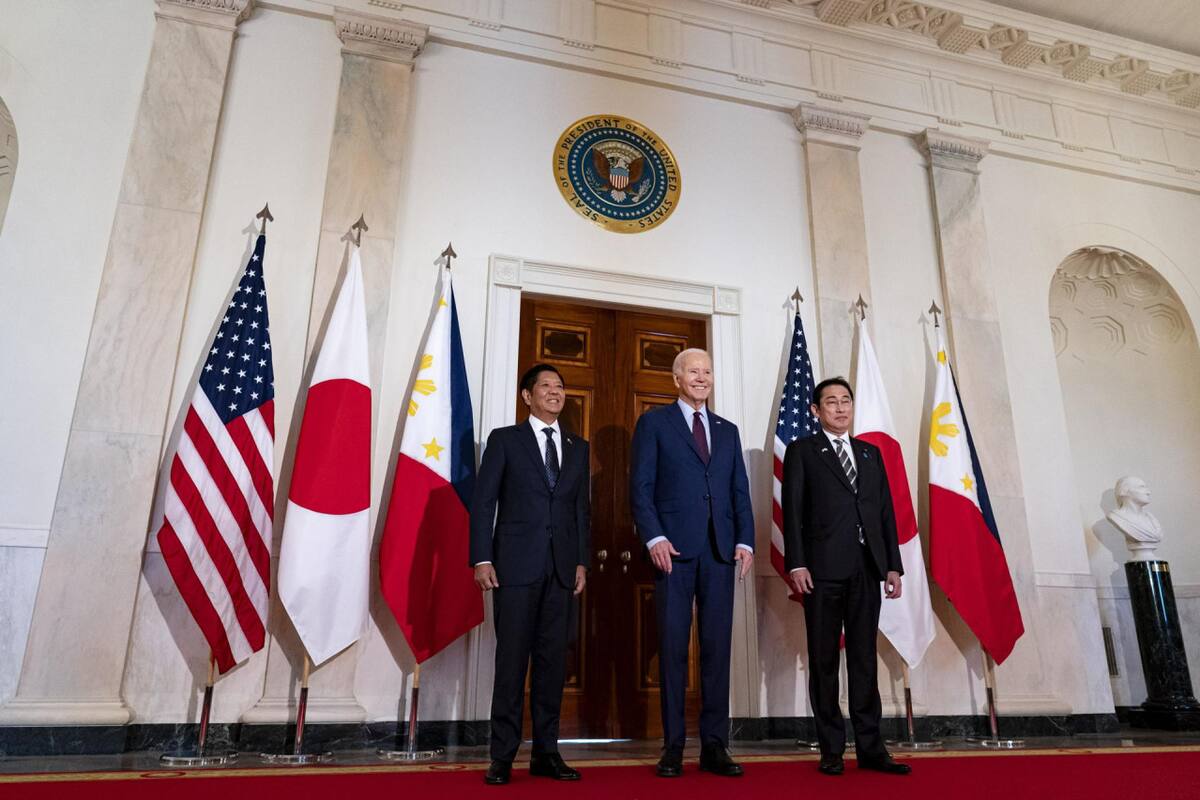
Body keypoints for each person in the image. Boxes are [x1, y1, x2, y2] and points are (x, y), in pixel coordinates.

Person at [629, 348, 755, 778]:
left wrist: (746, 541)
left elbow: (739, 489)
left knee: (717, 651)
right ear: (676, 379)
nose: (701, 378)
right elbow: (641, 488)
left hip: (722, 552)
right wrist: (654, 536)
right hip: (674, 554)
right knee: (672, 650)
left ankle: (715, 747)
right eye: (692, 371)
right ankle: (673, 746)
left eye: (707, 372)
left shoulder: (727, 429)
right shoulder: (654, 423)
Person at [782, 376, 910, 777]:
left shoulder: (870, 454)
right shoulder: (802, 451)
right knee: (823, 662)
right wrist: (796, 563)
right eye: (831, 402)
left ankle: (872, 749)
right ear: (816, 411)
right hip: (820, 571)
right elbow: (793, 512)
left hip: (866, 568)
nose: (840, 408)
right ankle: (831, 749)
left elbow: (884, 512)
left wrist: (892, 564)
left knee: (863, 661)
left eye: (845, 401)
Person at [470, 363, 591, 785]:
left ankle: (546, 752)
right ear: (527, 396)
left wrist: (580, 561)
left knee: (551, 666)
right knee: (511, 664)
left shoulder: (578, 447)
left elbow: (580, 511)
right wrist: (481, 558)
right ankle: (502, 756)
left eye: (560, 386)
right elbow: (484, 503)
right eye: (546, 386)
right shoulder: (505, 441)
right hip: (514, 569)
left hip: (561, 571)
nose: (555, 392)